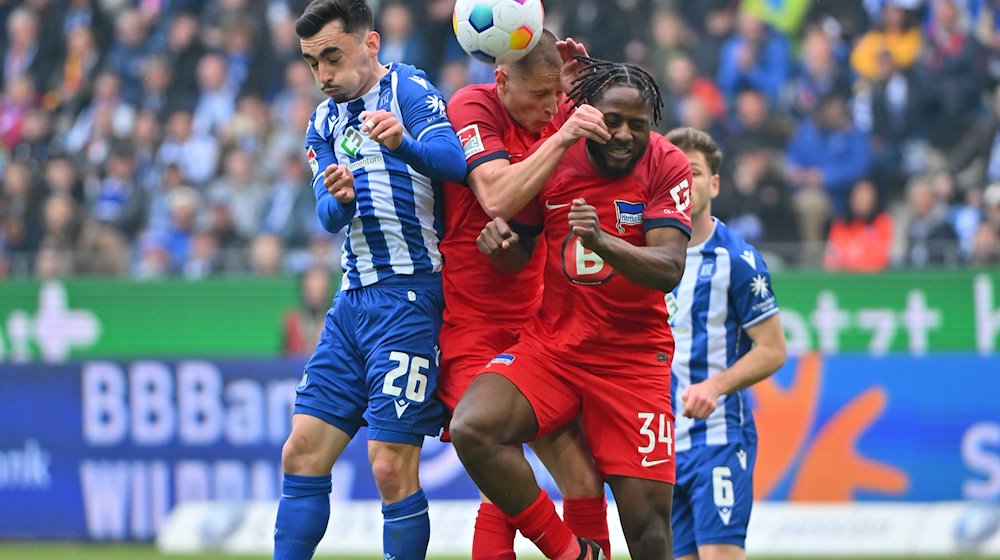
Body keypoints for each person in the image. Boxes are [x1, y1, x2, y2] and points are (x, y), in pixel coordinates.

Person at [451, 57, 693, 560]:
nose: (624, 134)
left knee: (649, 530)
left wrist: (602, 240)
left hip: (632, 359)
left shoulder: (667, 164)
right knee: (473, 428)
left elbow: (669, 267)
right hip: (554, 347)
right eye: (613, 120)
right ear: (586, 114)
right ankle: (572, 552)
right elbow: (522, 248)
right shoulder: (552, 158)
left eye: (638, 125)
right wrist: (502, 246)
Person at [272, 2, 467, 560]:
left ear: (371, 43)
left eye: (332, 57)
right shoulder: (323, 122)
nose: (324, 75)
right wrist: (338, 198)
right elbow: (327, 219)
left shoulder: (409, 89)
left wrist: (403, 143)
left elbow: (458, 162)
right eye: (312, 64)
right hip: (351, 302)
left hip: (411, 298)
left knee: (388, 463)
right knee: (301, 452)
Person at [438, 31, 616, 559]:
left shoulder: (558, 111)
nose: (550, 108)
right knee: (501, 469)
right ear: (501, 79)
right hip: (473, 323)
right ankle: (573, 555)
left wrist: (583, 79)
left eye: (555, 96)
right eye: (538, 97)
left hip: (539, 327)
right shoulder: (474, 104)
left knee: (582, 475)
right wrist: (561, 137)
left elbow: (522, 242)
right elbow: (495, 195)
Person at [661, 127, 787, 560]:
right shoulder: (649, 256)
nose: (684, 181)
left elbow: (773, 349)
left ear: (713, 183)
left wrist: (713, 387)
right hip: (663, 444)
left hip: (718, 439)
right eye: (674, 171)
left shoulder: (737, 259)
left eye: (693, 172)